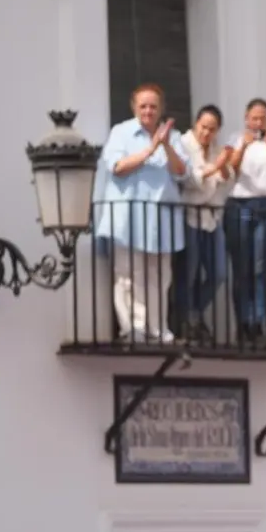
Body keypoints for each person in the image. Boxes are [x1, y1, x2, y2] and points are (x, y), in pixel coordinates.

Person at [94, 83, 190, 344]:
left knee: (160, 275)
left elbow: (182, 172)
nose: (148, 111)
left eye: (153, 106)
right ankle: (132, 328)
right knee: (127, 274)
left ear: (161, 109)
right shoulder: (121, 132)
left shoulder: (176, 136)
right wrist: (150, 149)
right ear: (134, 107)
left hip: (162, 218)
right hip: (129, 216)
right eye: (143, 106)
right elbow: (117, 166)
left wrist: (167, 145)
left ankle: (158, 328)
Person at [224, 98, 266, 344]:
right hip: (243, 205)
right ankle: (242, 321)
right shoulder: (236, 139)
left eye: (262, 118)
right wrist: (242, 145)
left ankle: (256, 321)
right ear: (246, 118)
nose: (258, 122)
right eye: (254, 118)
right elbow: (231, 169)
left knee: (259, 266)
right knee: (242, 265)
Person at [173, 104, 233, 344]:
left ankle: (194, 312)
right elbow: (190, 181)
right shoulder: (184, 144)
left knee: (218, 273)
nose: (206, 133)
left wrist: (224, 169)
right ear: (195, 124)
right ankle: (186, 319)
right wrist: (216, 169)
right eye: (203, 127)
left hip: (213, 217)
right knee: (189, 272)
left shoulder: (217, 149)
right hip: (189, 215)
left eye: (212, 129)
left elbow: (227, 181)